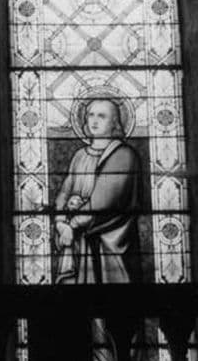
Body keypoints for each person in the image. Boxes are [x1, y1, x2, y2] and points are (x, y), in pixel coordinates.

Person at [54, 98, 143, 284]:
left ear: (115, 123)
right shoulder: (80, 156)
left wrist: (72, 225)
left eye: (101, 116)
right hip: (76, 239)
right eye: (90, 115)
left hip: (108, 242)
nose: (94, 120)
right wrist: (61, 222)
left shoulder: (124, 155)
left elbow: (103, 202)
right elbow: (64, 192)